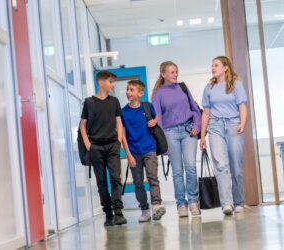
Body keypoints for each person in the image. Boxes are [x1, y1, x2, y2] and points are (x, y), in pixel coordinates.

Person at [152, 61, 201, 217]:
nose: (175, 75)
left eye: (176, 72)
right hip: (170, 133)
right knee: (178, 172)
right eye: (172, 72)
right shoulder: (158, 94)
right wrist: (162, 142)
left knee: (191, 167)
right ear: (163, 74)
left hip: (188, 131)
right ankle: (181, 204)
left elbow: (194, 108)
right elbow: (157, 119)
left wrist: (197, 126)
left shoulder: (182, 87)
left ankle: (193, 201)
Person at [200, 56, 247, 215]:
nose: (213, 68)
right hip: (215, 127)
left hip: (234, 125)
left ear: (225, 67)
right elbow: (206, 114)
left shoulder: (236, 85)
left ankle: (239, 201)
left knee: (236, 167)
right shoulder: (209, 88)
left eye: (216, 65)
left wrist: (242, 122)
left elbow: (242, 106)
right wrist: (202, 136)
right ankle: (227, 203)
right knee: (221, 165)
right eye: (212, 66)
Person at [80, 70, 127, 226]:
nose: (112, 84)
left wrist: (118, 141)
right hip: (95, 147)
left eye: (113, 82)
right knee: (101, 182)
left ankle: (118, 212)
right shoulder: (89, 102)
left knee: (115, 178)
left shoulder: (114, 102)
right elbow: (82, 125)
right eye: (110, 81)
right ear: (101, 83)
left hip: (112, 145)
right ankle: (108, 214)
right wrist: (88, 144)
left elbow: (119, 122)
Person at [121, 80, 166, 223]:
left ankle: (156, 205)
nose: (128, 92)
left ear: (140, 93)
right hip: (134, 152)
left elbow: (156, 116)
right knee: (138, 183)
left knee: (153, 178)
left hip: (149, 149)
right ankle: (145, 209)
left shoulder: (148, 106)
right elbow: (122, 135)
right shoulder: (123, 112)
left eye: (132, 90)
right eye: (128, 89)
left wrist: (154, 121)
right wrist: (128, 154)